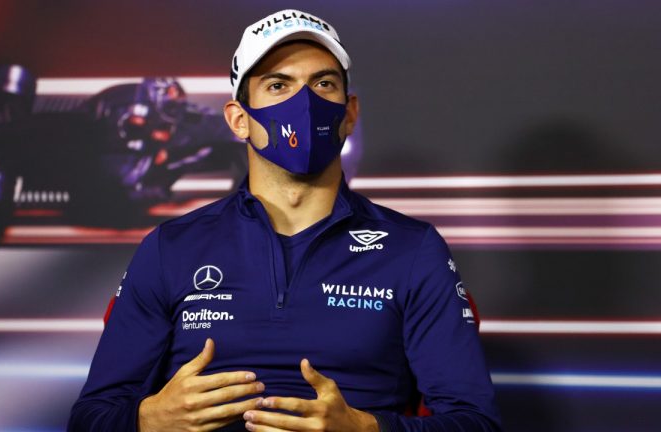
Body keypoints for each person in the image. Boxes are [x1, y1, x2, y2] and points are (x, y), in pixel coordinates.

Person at [69, 9, 502, 432]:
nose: (305, 103)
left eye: (324, 84)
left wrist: (366, 429)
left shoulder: (412, 249)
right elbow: (90, 419)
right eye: (279, 85)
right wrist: (147, 421)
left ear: (349, 113)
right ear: (239, 119)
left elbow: (476, 422)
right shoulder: (171, 248)